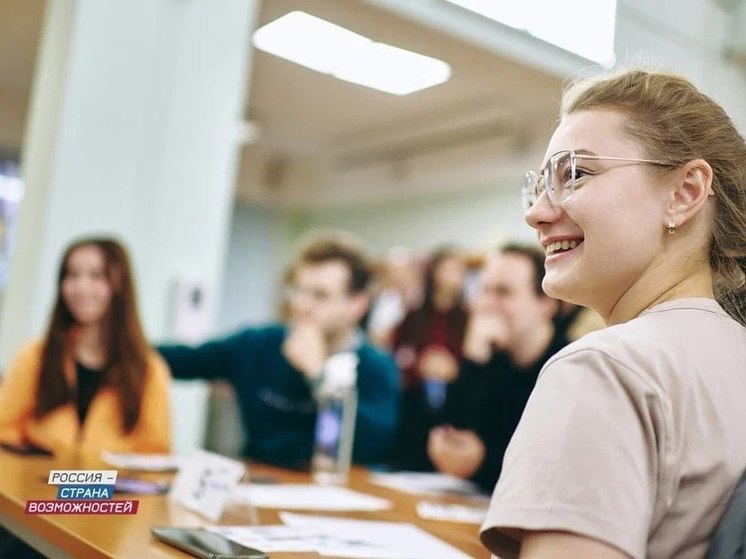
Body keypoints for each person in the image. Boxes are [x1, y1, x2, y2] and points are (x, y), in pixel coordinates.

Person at [480, 69, 746, 559]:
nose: (536, 212)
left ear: (685, 192)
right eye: (541, 184)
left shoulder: (606, 369)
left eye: (574, 175)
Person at [158, 232, 399, 468]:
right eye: (298, 291)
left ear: (357, 305)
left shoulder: (376, 366)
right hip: (257, 482)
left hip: (335, 493)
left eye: (320, 295)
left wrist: (319, 375)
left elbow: (372, 445)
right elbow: (179, 360)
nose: (301, 305)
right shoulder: (257, 344)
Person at [0, 237, 171, 456]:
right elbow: (5, 430)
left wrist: (86, 485)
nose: (81, 287)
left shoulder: (149, 371)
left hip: (110, 488)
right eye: (72, 275)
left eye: (96, 276)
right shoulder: (35, 356)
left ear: (120, 285)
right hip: (33, 485)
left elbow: (155, 456)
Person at [428, 244, 568, 492]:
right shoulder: (489, 360)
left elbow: (554, 472)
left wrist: (482, 464)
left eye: (503, 293)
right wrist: (473, 360)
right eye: (484, 290)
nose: (488, 304)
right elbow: (453, 435)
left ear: (546, 303)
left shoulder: (569, 368)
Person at [389, 246, 468, 471]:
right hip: (416, 402)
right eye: (449, 269)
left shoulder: (466, 317)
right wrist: (418, 365)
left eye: (458, 270)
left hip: (451, 404)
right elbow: (397, 355)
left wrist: (453, 368)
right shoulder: (415, 315)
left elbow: (473, 362)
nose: (455, 276)